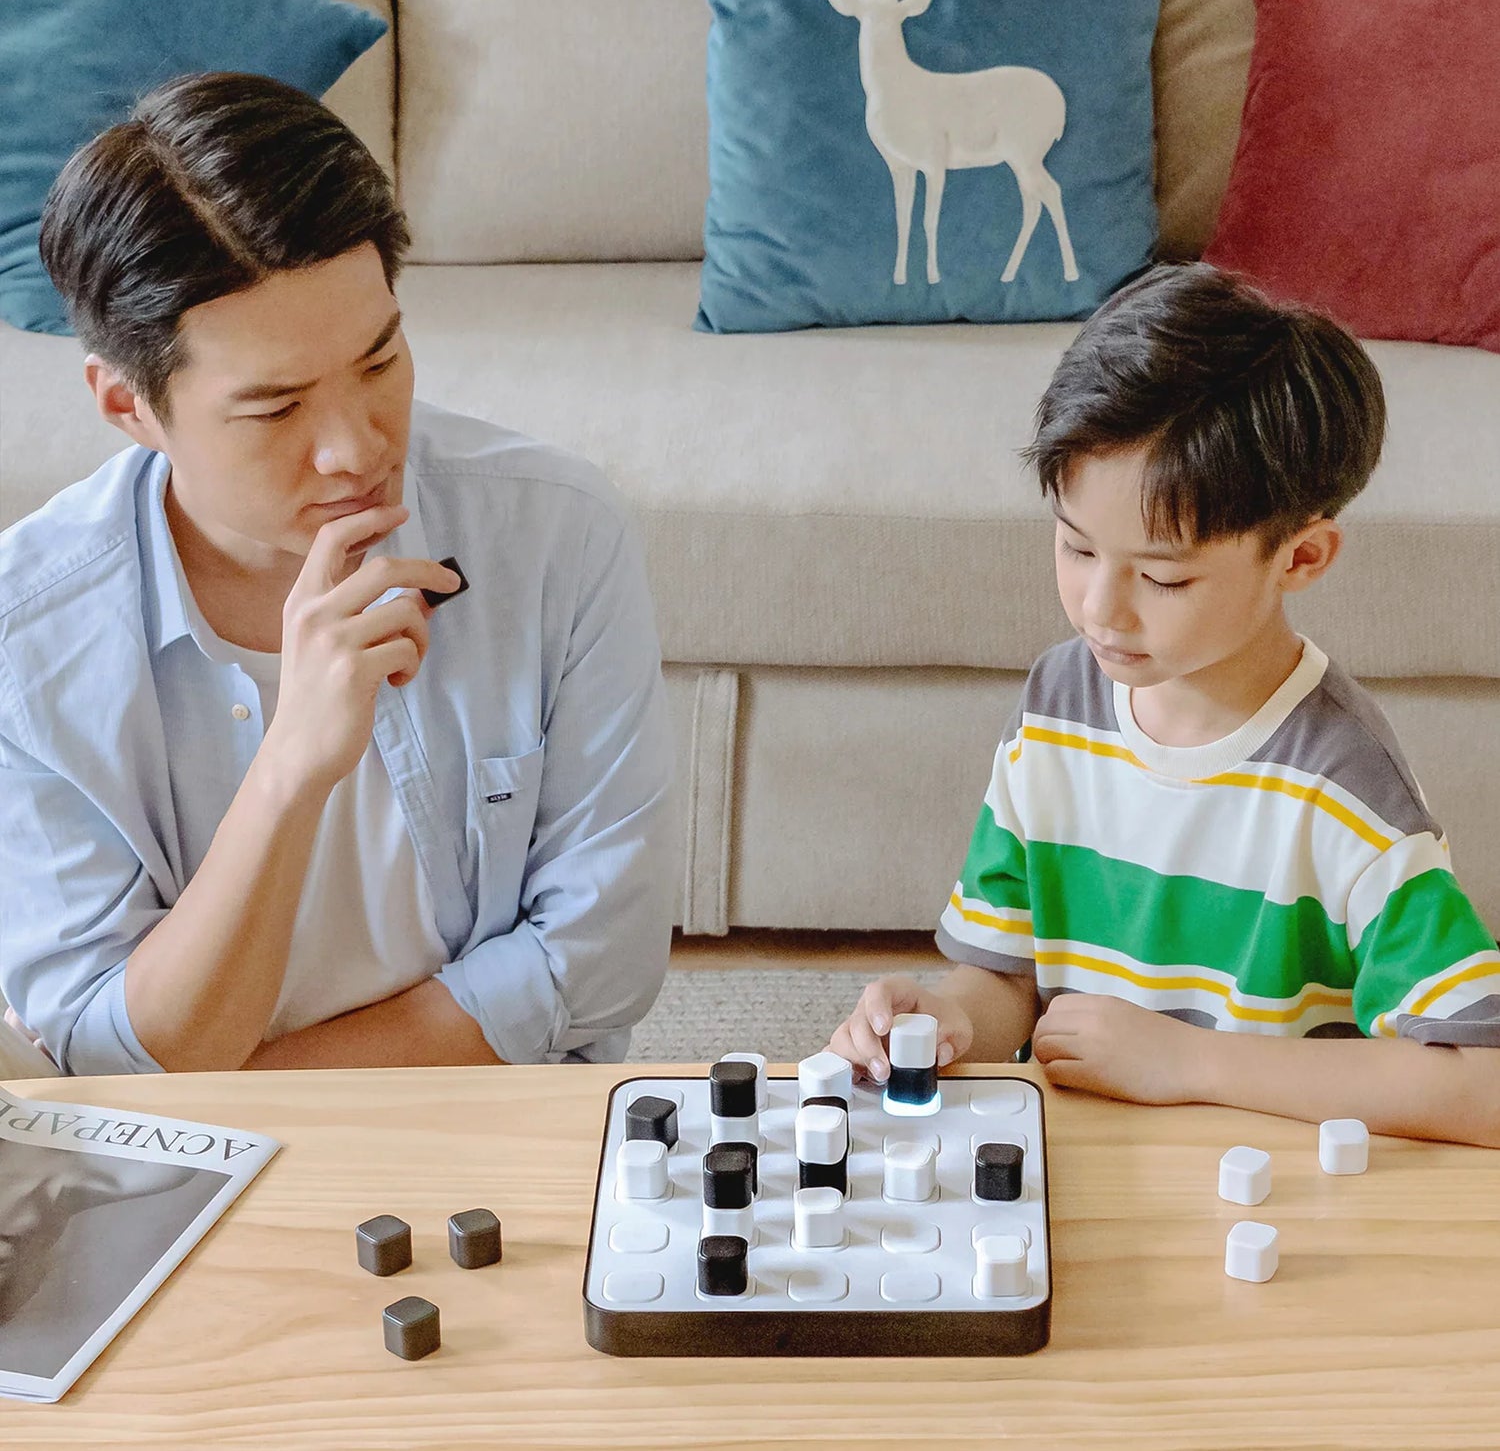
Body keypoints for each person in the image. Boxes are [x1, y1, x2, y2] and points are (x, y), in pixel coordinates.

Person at [0, 73, 675, 1076]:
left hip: (492, 1116)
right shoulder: (28, 641)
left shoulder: (554, 532)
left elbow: (599, 958)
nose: (355, 450)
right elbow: (115, 1057)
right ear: (128, 406)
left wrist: (270, 1100)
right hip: (192, 1176)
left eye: (381, 357)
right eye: (275, 409)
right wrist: (290, 769)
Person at [828, 263, 1500, 1146]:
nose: (1100, 609)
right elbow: (1009, 983)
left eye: (1162, 576)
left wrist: (1188, 1062)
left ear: (1299, 559)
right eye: (1075, 548)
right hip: (1073, 1168)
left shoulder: (1345, 789)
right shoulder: (1057, 705)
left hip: (1255, 1191)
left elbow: (1483, 1083)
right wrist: (946, 1020)